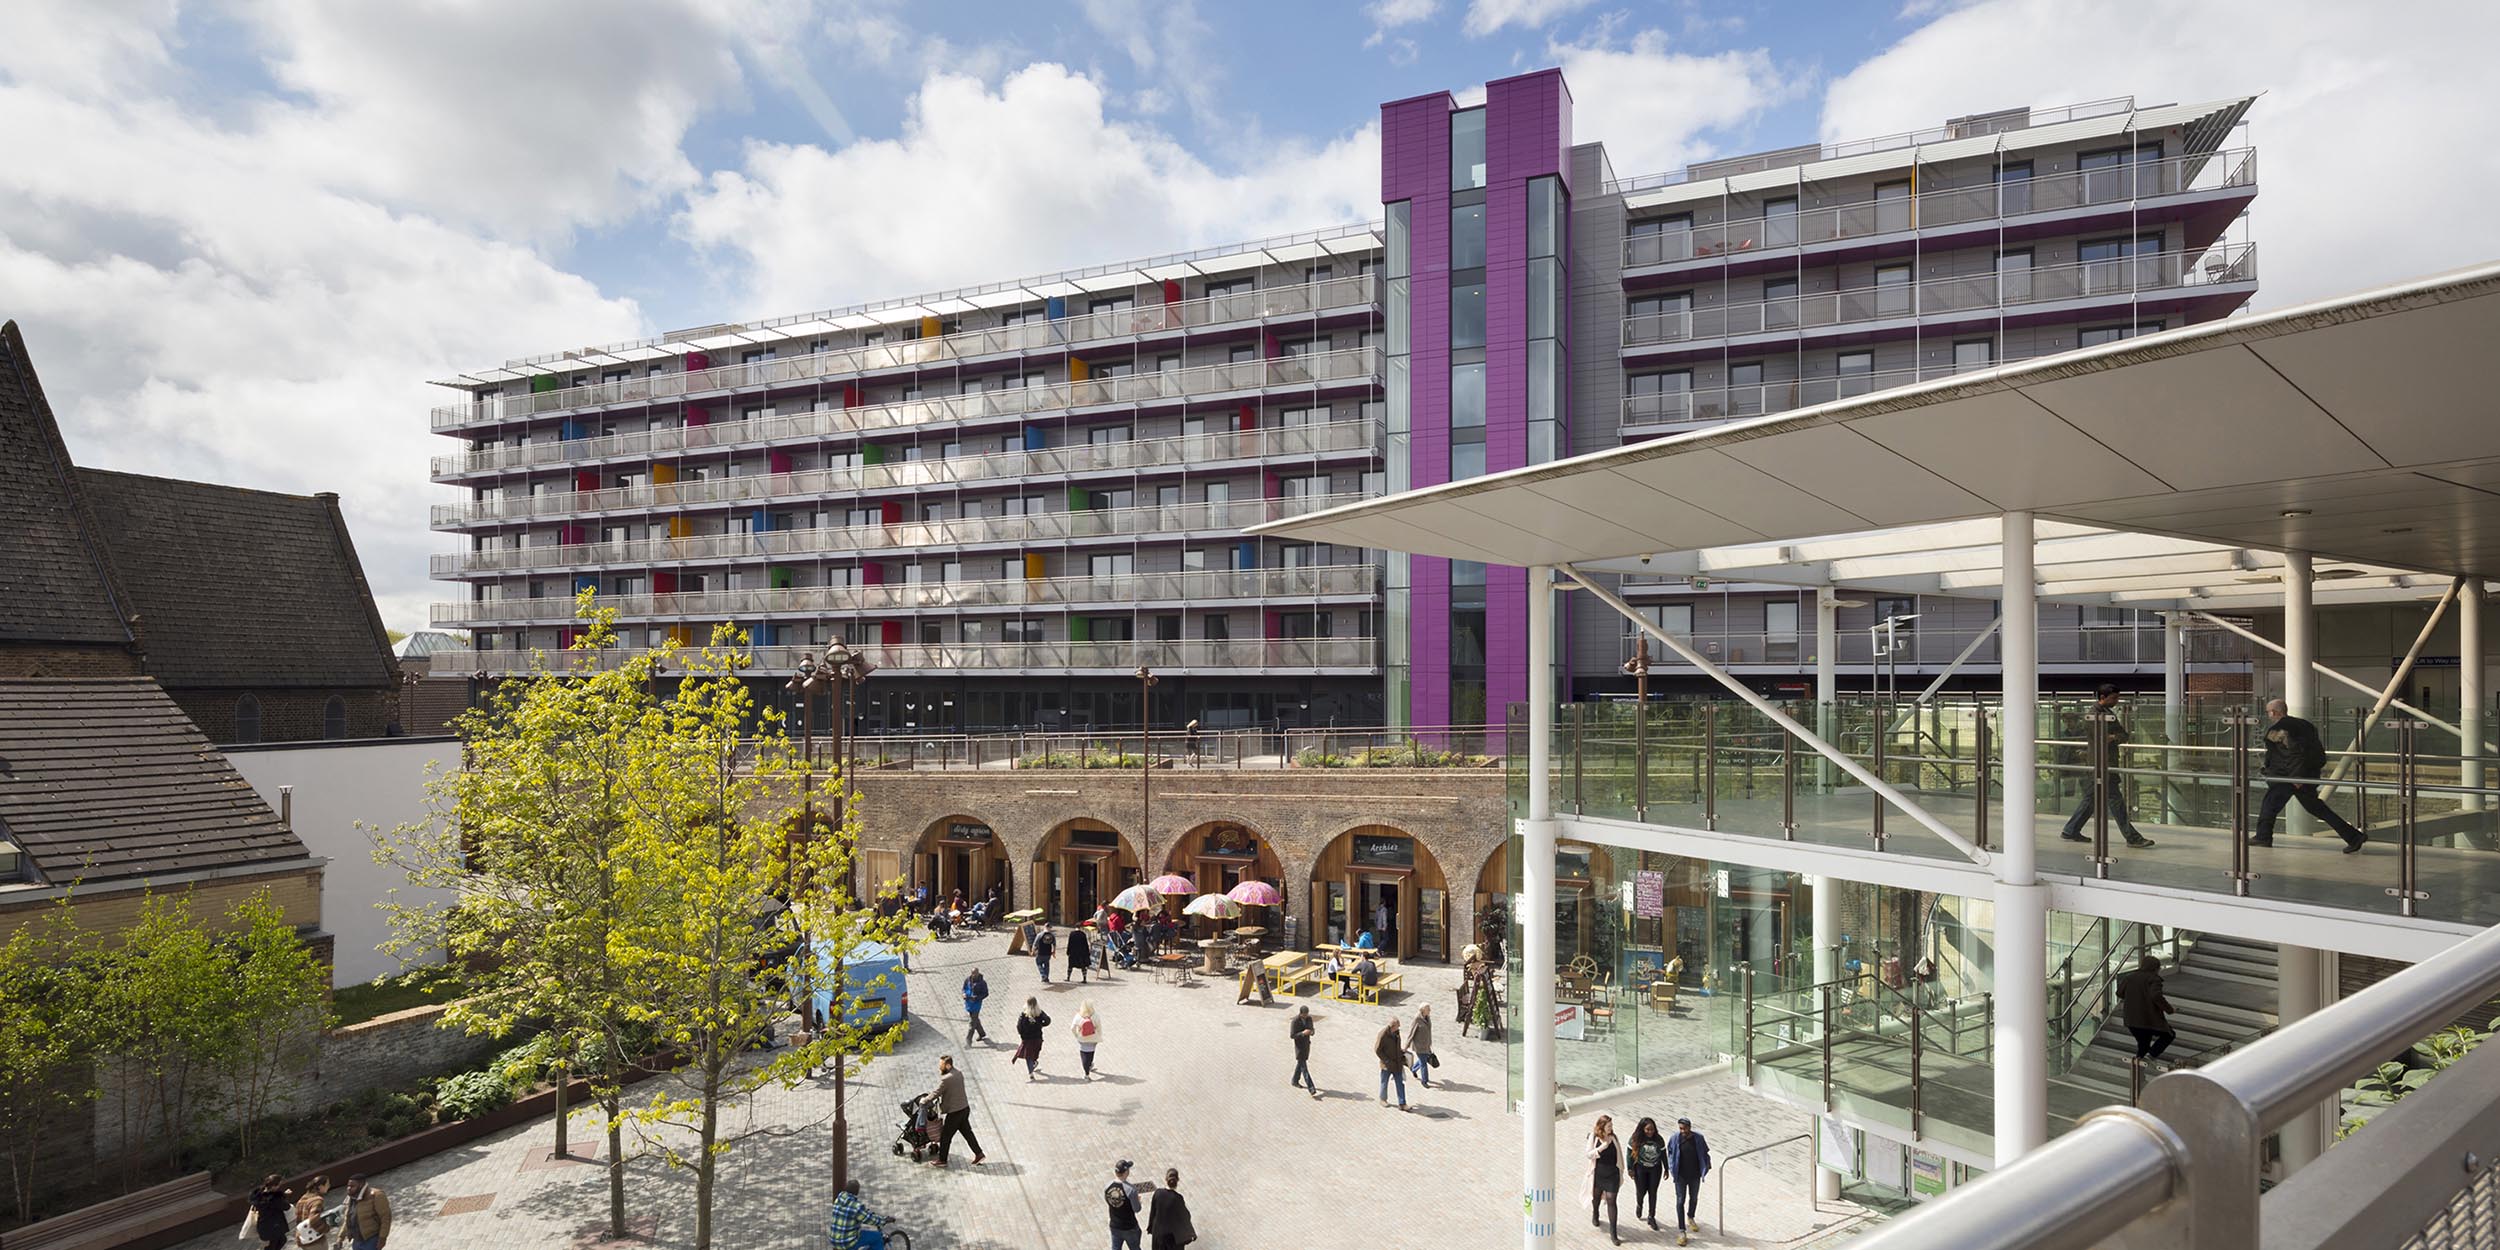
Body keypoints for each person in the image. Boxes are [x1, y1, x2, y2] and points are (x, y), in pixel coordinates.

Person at [2255, 697, 2369, 852]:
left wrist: (2296, 777)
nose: (2268, 715)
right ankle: (2353, 836)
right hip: (2307, 774)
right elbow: (2312, 749)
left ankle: (2263, 837)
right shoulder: (2305, 725)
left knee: (2269, 805)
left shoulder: (2278, 729)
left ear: (2274, 712)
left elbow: (2292, 752)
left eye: (2269, 712)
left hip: (2287, 776)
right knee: (2317, 808)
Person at [2059, 684, 2158, 848]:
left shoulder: (2107, 713)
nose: (2116, 701)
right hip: (2100, 764)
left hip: (2106, 763)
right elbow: (2102, 738)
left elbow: (2123, 735)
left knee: (2091, 800)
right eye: (2114, 698)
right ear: (2102, 697)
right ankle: (2132, 837)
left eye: (2117, 698)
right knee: (2115, 800)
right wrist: (2112, 737)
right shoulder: (2092, 716)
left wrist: (2112, 737)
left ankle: (2070, 830)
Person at [2116, 953, 2177, 1066]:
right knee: (2169, 1035)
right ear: (2155, 968)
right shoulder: (2154, 979)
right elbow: (2156, 996)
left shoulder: (2130, 977)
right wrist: (2170, 1009)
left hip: (2131, 1019)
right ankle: (2151, 1056)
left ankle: (2138, 1072)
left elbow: (2119, 992)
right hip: (2147, 1019)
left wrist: (2133, 999)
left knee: (2143, 1044)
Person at [931, 1054, 986, 1166]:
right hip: (964, 1109)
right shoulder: (959, 1073)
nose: (939, 1067)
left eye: (941, 1065)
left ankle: (942, 1160)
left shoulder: (946, 1079)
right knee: (967, 1133)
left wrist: (924, 1100)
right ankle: (979, 1154)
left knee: (945, 1137)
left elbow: (937, 1093)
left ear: (948, 1065)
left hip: (955, 1112)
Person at [1667, 1116, 1711, 1241]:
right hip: (1680, 1176)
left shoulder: (1698, 1138)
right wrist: (1671, 1167)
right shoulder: (1675, 1138)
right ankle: (1682, 1230)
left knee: (1694, 1198)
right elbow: (1670, 1152)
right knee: (1680, 1201)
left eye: (1685, 1128)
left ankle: (1690, 1216)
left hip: (1695, 1175)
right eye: (1680, 1128)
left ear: (1690, 1128)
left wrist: (1707, 1165)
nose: (1683, 1131)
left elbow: (1705, 1152)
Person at [1586, 1114, 1624, 1246]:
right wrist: (1602, 1146)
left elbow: (1619, 1156)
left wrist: (1621, 1171)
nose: (1611, 1128)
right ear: (1602, 1127)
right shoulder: (1594, 1137)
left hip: (1613, 1175)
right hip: (1599, 1174)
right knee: (1596, 1198)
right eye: (1609, 1126)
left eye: (1611, 1126)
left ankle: (1613, 1233)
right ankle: (1595, 1213)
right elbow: (1588, 1154)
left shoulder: (1614, 1138)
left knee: (1611, 1200)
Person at [828, 1179, 890, 1250]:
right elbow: (869, 1219)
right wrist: (884, 1220)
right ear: (857, 1192)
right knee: (878, 1237)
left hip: (834, 1239)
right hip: (847, 1242)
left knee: (860, 1233)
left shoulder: (839, 1199)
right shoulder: (856, 1207)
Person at [1628, 1118, 1667, 1231]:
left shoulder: (1659, 1139)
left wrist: (1666, 1168)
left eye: (1652, 1129)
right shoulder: (1635, 1139)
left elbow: (1664, 1154)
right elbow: (1629, 1154)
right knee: (1641, 1191)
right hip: (1640, 1168)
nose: (1650, 1132)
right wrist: (1630, 1168)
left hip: (1655, 1169)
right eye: (1647, 1129)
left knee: (1653, 1192)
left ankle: (1651, 1216)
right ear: (1642, 1129)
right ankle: (1639, 1204)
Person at [1145, 1168, 1195, 1250]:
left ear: (1165, 1179)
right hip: (1171, 1237)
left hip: (1159, 1234)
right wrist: (1190, 1233)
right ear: (1177, 1180)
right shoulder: (1178, 1198)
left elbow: (1153, 1212)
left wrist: (1151, 1227)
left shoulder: (1158, 1193)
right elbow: (1185, 1216)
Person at [338, 1174, 390, 1250]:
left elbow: (385, 1218)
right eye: (348, 1186)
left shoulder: (376, 1195)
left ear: (361, 1185)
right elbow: (348, 1219)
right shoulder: (351, 1198)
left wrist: (382, 1238)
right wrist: (340, 1238)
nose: (349, 1188)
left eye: (352, 1186)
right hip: (356, 1241)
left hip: (371, 1240)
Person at [1105, 1160, 1144, 1250]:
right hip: (1129, 1227)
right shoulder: (1131, 1190)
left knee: (1115, 1248)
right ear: (1126, 1172)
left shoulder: (1108, 1186)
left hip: (1115, 1225)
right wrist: (1138, 1201)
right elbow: (1137, 1209)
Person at [247, 1174, 294, 1250]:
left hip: (264, 1226)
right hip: (274, 1226)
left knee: (278, 1242)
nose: (279, 1187)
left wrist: (282, 1195)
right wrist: (285, 1196)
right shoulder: (274, 1199)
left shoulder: (259, 1195)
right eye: (278, 1185)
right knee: (276, 1244)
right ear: (273, 1186)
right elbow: (286, 1206)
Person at [1374, 1016, 1410, 1110]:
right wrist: (1386, 1060)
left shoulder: (1397, 1033)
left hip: (1397, 1063)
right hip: (1387, 1064)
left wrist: (1402, 1052)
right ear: (1393, 1026)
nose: (1399, 1028)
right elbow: (1377, 1050)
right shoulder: (1383, 1035)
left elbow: (1396, 1046)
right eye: (1398, 1026)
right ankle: (1383, 1099)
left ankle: (1402, 1103)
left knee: (1400, 1083)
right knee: (1384, 1082)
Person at [1014, 997, 1053, 1080]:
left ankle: (1031, 1071)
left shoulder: (1023, 1014)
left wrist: (1022, 1035)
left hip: (1027, 1039)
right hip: (1037, 1037)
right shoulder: (1039, 1013)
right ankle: (1033, 1064)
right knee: (1035, 1053)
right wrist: (1041, 1025)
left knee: (1028, 1056)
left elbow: (1019, 1026)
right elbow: (1048, 1020)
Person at [290, 1176, 332, 1249]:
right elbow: (314, 1220)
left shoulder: (302, 1199)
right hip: (316, 1242)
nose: (329, 1186)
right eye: (327, 1184)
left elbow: (298, 1219)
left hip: (304, 1239)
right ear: (320, 1186)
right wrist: (326, 1228)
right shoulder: (317, 1200)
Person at [1289, 1005, 1319, 1098]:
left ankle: (1295, 1080)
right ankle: (1311, 1088)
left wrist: (1312, 1032)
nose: (1306, 1016)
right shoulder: (1295, 1021)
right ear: (1301, 1013)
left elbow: (1312, 1029)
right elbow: (1292, 1035)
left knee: (1300, 1064)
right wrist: (1302, 1033)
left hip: (1306, 1045)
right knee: (1304, 1068)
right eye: (1304, 1015)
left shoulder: (1309, 1019)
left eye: (1307, 1014)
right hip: (1299, 1047)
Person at [1406, 1004, 1437, 1090]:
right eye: (1428, 1009)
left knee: (1422, 1060)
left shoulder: (1427, 1017)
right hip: (1419, 1045)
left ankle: (1413, 1069)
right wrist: (1406, 1045)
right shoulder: (1417, 1019)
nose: (1430, 1010)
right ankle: (1424, 1081)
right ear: (1423, 1010)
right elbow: (1411, 1032)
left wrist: (1430, 1043)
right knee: (1423, 1063)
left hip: (1426, 1044)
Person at [1072, 1001, 1103, 1080]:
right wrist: (1098, 1036)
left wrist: (1076, 1035)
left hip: (1082, 1038)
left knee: (1084, 1054)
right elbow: (1099, 1027)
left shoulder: (1078, 1016)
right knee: (1091, 1053)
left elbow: (1072, 1028)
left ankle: (1086, 1073)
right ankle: (1090, 1064)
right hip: (1093, 1038)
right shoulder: (1095, 1015)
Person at [962, 967, 991, 1044]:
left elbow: (985, 993)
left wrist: (977, 998)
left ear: (978, 973)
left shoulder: (982, 983)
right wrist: (964, 994)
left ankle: (968, 1041)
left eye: (975, 973)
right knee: (975, 1020)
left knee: (972, 1024)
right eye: (973, 973)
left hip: (976, 1005)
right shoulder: (967, 980)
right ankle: (982, 1033)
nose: (974, 975)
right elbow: (964, 988)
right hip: (969, 1003)